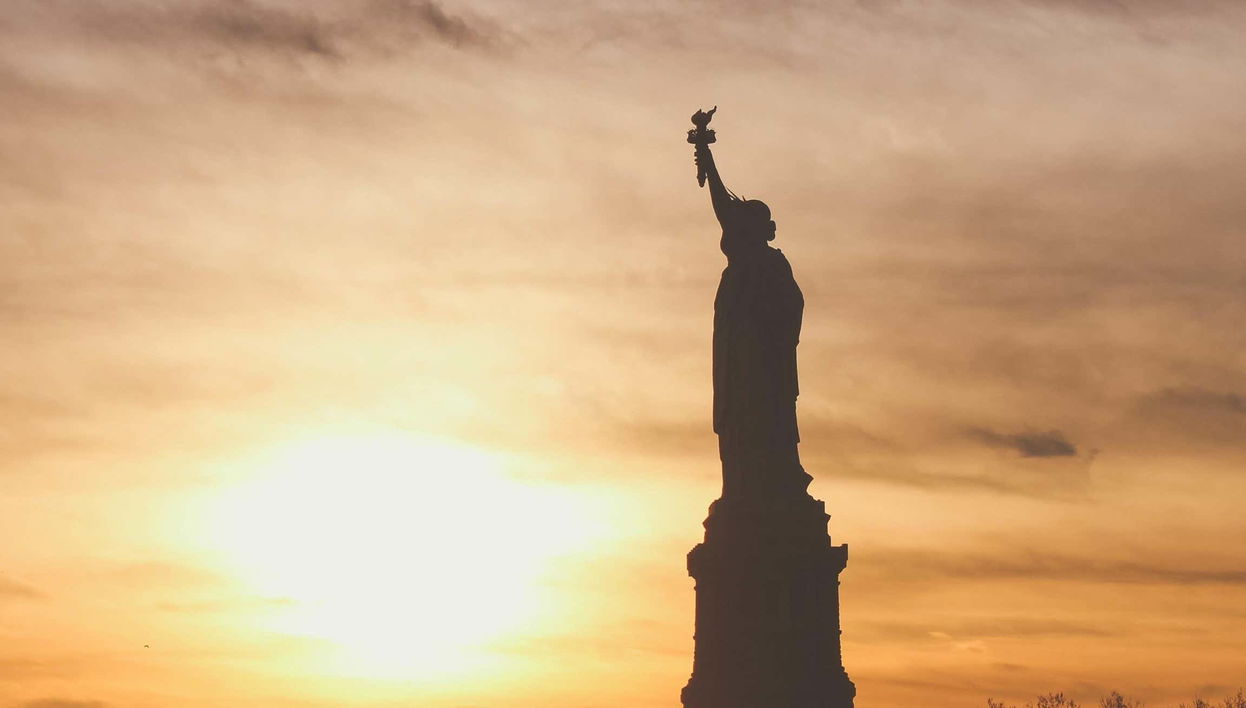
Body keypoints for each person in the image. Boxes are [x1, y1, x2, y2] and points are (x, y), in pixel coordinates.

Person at [694, 140, 812, 500]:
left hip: (768, 359)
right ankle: (745, 487)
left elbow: (793, 306)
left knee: (769, 416)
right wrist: (706, 156)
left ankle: (777, 481)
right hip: (739, 355)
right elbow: (721, 205)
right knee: (741, 418)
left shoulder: (774, 264)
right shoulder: (745, 263)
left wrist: (773, 330)